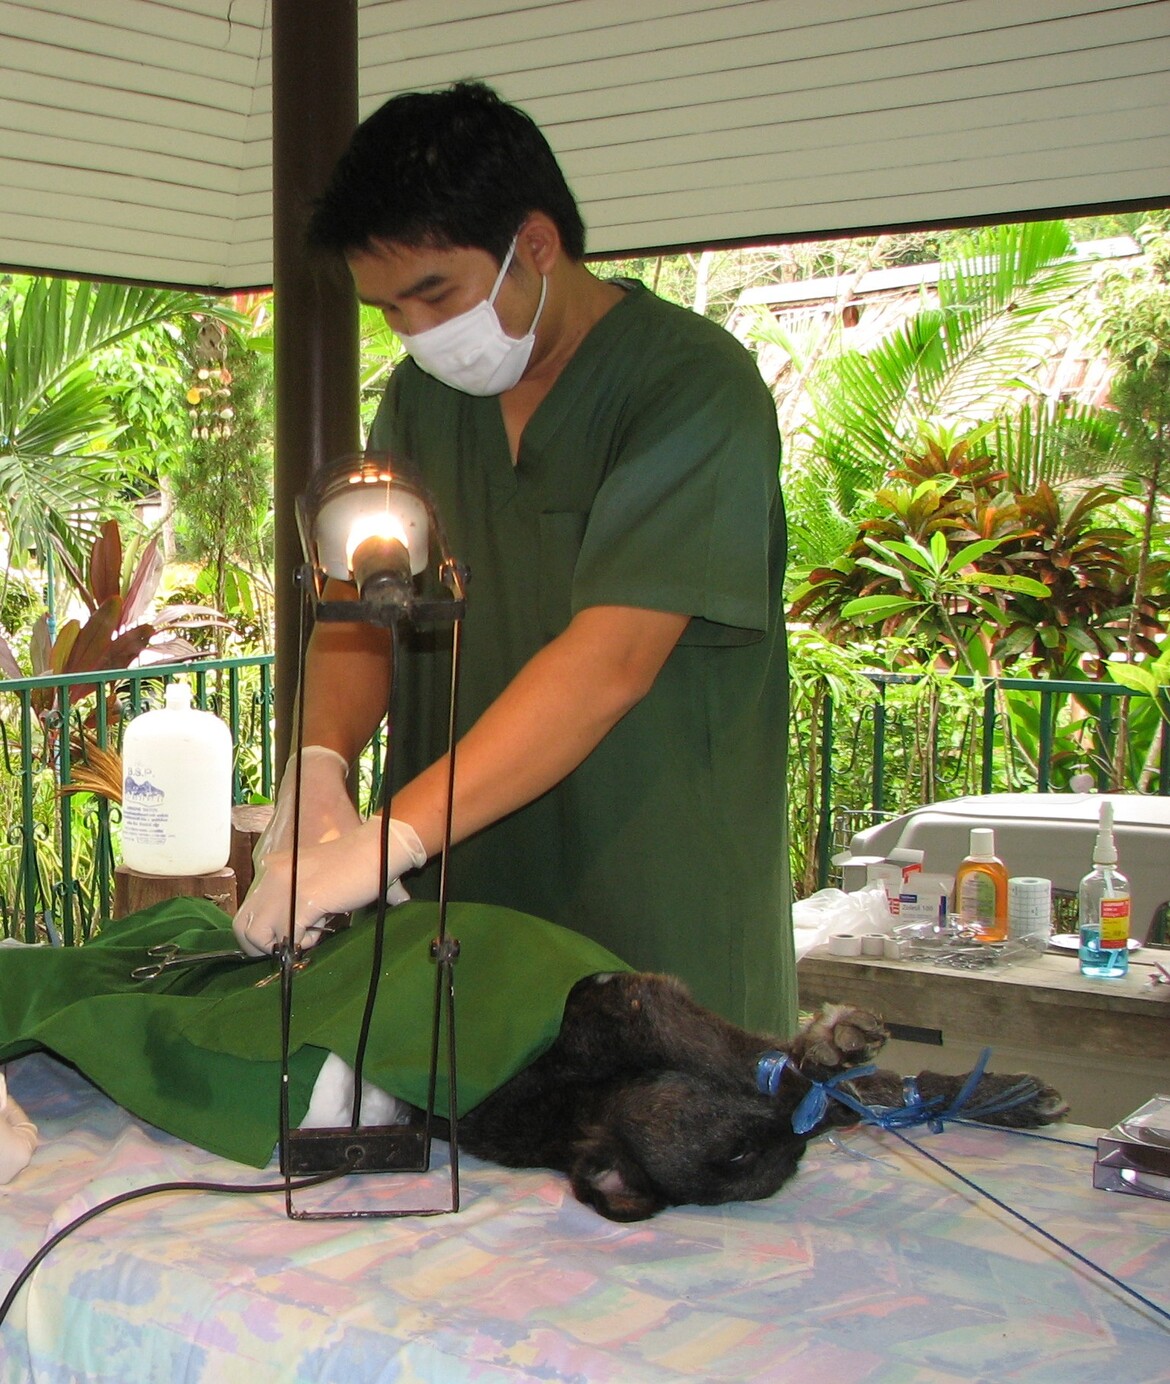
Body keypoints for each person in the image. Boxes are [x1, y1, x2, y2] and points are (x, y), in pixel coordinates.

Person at [233, 81, 794, 1034]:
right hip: (472, 917)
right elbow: (363, 602)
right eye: (387, 310)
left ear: (534, 245)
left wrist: (389, 838)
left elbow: (610, 661)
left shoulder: (692, 386)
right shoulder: (420, 405)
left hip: (658, 907)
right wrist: (320, 765)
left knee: (673, 1136)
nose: (415, 333)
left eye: (434, 295)